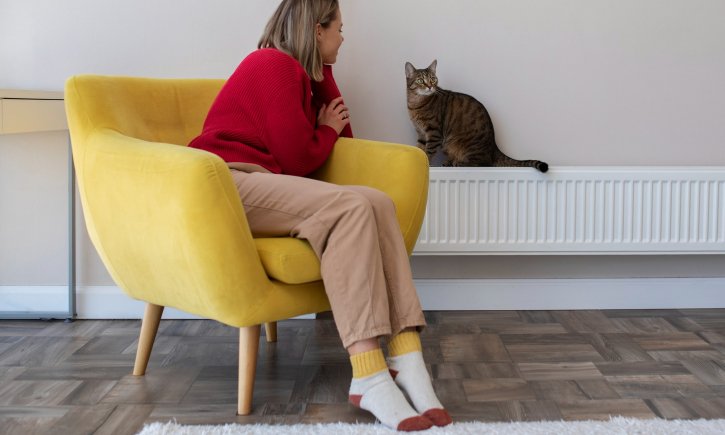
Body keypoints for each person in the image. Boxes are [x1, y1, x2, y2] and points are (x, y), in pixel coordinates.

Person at [189, 0, 451, 431]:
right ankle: (368, 372)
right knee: (350, 207)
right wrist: (325, 125)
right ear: (316, 30)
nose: (343, 38)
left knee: (378, 202)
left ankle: (407, 356)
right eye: (338, 29)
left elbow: (345, 143)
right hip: (227, 183)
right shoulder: (273, 64)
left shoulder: (298, 72)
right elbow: (297, 160)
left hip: (261, 183)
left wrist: (324, 72)